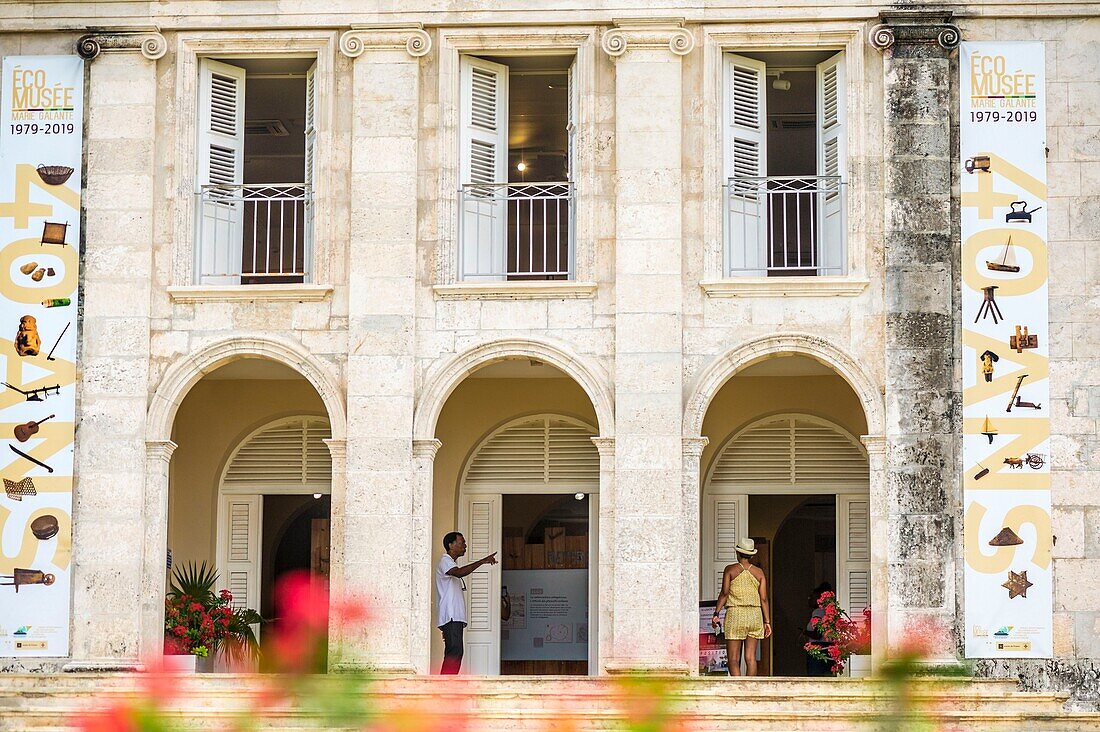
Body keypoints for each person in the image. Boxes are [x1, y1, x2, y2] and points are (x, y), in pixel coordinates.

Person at [436, 531, 497, 674]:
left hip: (454, 617)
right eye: (461, 542)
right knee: (454, 653)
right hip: (451, 616)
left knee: (455, 652)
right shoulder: (445, 561)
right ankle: (444, 687)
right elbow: (459, 572)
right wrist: (482, 561)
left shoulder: (450, 562)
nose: (465, 545)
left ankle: (445, 686)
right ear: (451, 545)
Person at [711, 537, 771, 676]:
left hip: (736, 614)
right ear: (751, 555)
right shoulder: (759, 573)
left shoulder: (730, 570)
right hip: (754, 615)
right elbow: (763, 599)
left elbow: (724, 593)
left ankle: (738, 689)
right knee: (750, 658)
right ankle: (750, 691)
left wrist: (716, 613)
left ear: (738, 553)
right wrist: (767, 621)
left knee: (733, 659)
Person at [804, 582, 835, 677]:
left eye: (811, 597)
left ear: (818, 599)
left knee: (815, 677)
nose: (809, 600)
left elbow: (818, 634)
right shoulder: (828, 611)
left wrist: (805, 632)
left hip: (819, 648)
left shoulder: (818, 612)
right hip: (828, 647)